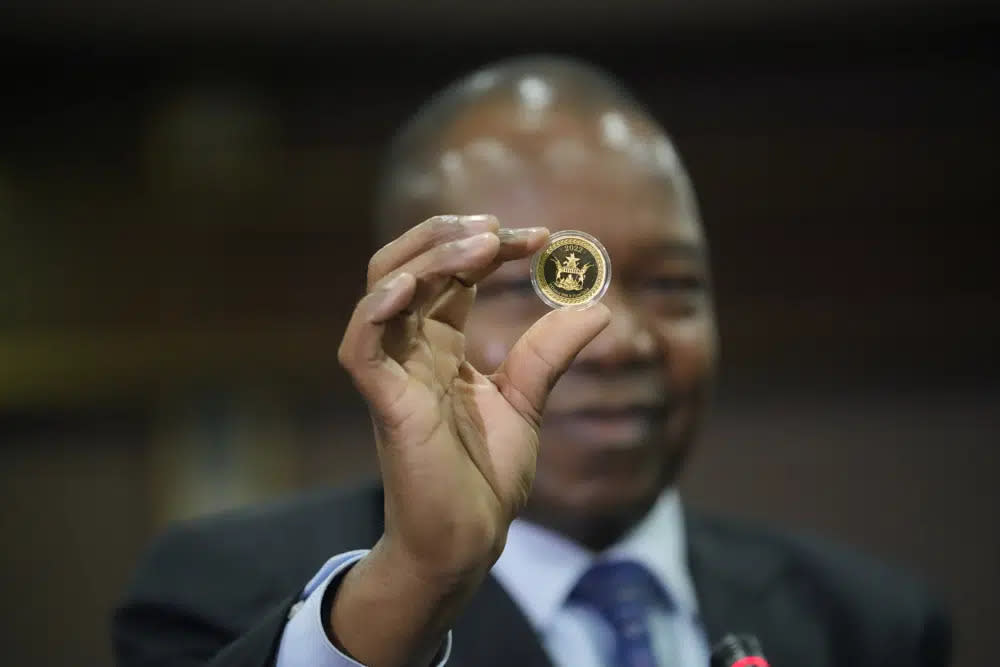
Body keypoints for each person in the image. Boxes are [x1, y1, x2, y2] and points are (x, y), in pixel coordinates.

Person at [112, 57, 952, 667]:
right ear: (409, 311)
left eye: (673, 284)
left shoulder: (869, 624)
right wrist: (414, 584)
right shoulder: (223, 596)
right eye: (529, 288)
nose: (616, 337)